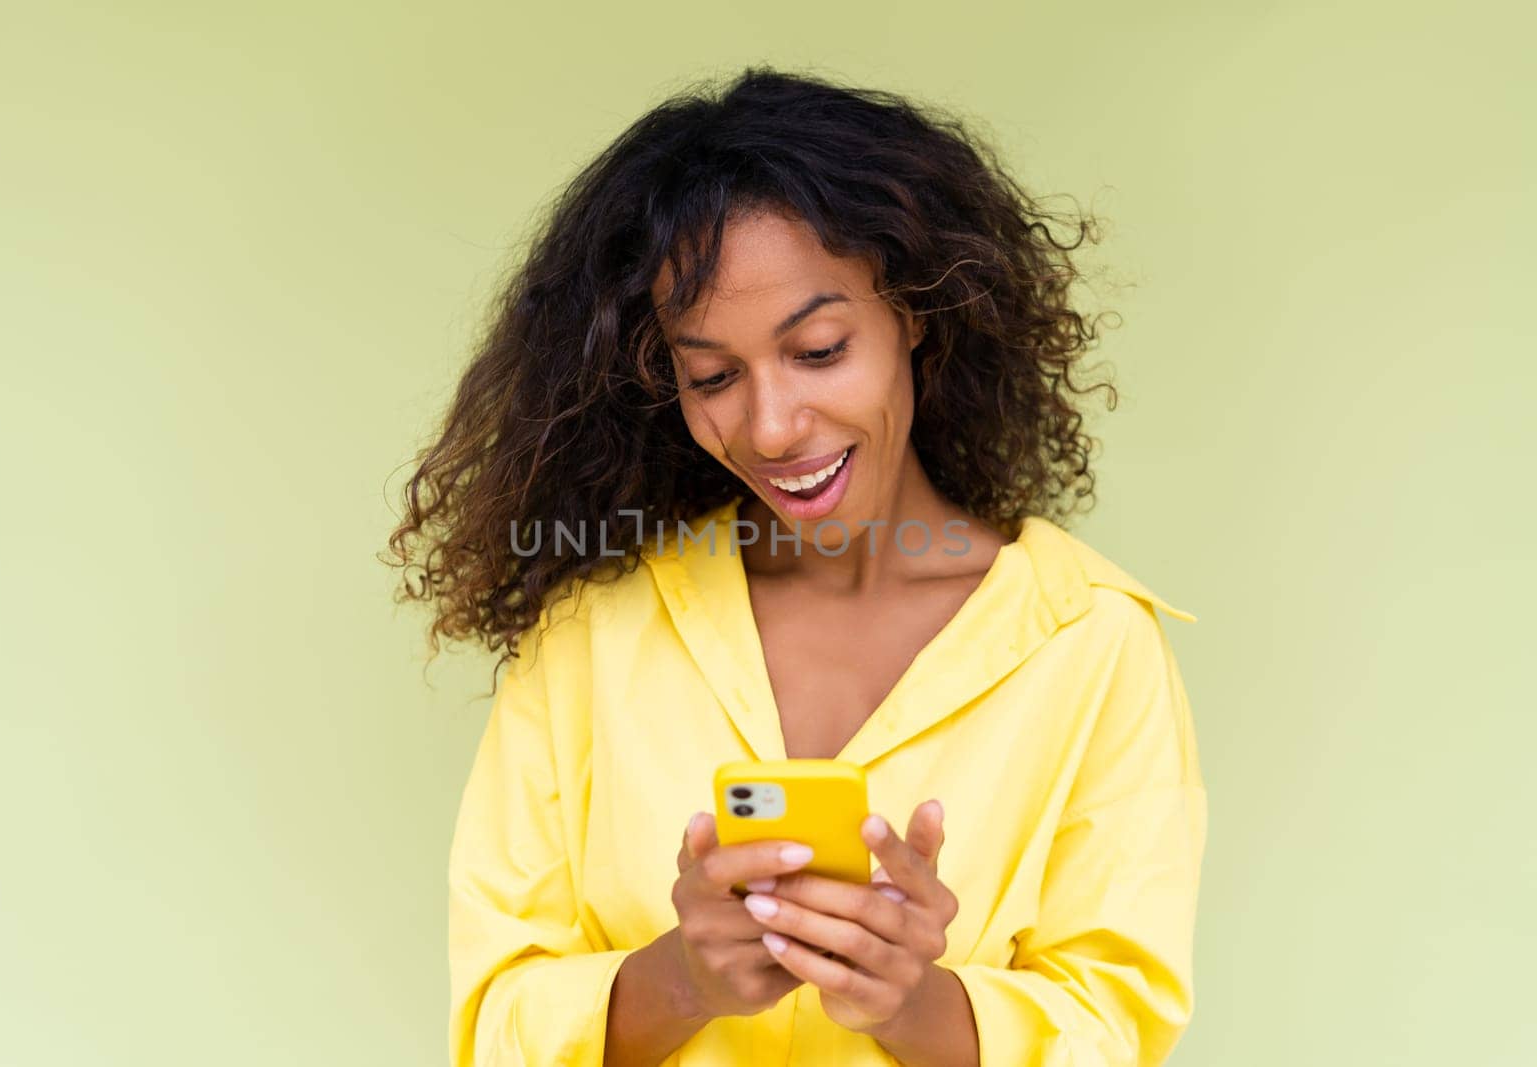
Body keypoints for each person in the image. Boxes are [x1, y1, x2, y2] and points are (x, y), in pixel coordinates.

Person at [386, 65, 1207, 1066]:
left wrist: (913, 1003)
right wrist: (679, 977)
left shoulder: (1091, 642)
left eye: (818, 349)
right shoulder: (591, 630)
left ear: (915, 312)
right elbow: (492, 1020)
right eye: (713, 375)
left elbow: (1116, 1029)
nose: (770, 426)